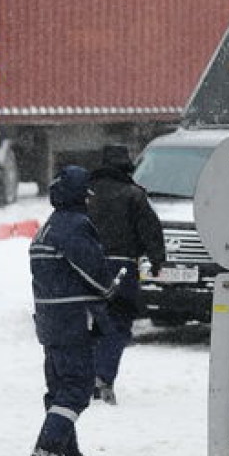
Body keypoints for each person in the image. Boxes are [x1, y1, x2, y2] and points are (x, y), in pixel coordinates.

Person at [28, 166, 120, 456]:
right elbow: (92, 271)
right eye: (88, 193)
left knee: (59, 384)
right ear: (81, 195)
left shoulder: (49, 226)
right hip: (72, 319)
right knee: (78, 384)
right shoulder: (75, 226)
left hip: (48, 319)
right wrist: (109, 287)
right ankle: (49, 446)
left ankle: (67, 448)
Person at [87, 143, 165, 405]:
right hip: (122, 267)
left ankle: (86, 378)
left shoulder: (86, 194)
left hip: (87, 268)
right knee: (118, 324)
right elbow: (151, 231)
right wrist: (157, 260)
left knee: (92, 324)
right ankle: (104, 378)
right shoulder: (134, 195)